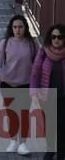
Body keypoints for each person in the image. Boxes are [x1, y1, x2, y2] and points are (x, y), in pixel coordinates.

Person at [0, 15, 38, 156]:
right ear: (11, 28)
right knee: (11, 113)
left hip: (26, 84)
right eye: (15, 27)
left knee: (23, 114)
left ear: (25, 28)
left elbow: (38, 64)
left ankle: (23, 143)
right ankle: (13, 140)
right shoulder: (5, 43)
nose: (18, 30)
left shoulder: (32, 44)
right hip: (7, 84)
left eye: (21, 27)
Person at [30, 23, 65, 160]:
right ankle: (50, 150)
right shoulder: (43, 51)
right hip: (47, 96)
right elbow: (35, 72)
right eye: (54, 37)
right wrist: (33, 92)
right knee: (49, 124)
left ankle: (62, 152)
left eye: (60, 37)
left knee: (62, 125)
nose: (56, 40)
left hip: (63, 96)